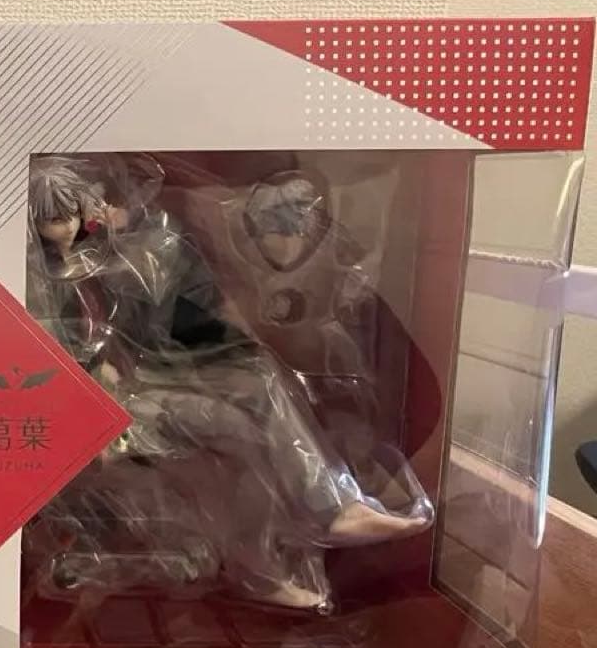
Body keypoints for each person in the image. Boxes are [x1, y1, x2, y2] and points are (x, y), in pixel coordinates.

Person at [25, 154, 433, 612]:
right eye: (55, 218)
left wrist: (131, 230)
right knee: (240, 434)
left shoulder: (104, 252)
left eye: (75, 210)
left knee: (259, 380)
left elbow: (155, 305)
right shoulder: (41, 279)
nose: (70, 224)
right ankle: (258, 568)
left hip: (138, 380)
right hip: (99, 411)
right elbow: (46, 357)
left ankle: (332, 508)